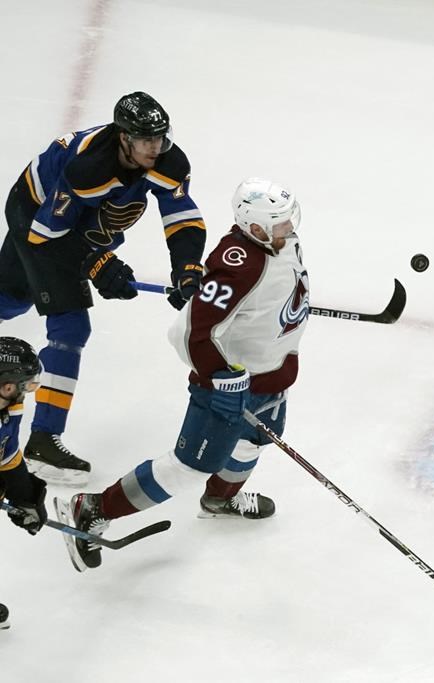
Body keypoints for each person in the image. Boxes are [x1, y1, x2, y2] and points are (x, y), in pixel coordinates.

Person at [54, 178, 307, 572]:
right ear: (254, 228)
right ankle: (92, 508)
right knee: (188, 466)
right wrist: (222, 378)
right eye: (279, 223)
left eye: (289, 220)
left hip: (273, 377)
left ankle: (219, 500)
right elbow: (187, 333)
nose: (289, 228)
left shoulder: (281, 244)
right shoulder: (239, 265)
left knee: (251, 442)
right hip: (229, 388)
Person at [0, 91, 207, 485]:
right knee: (70, 325)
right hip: (38, 216)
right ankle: (43, 440)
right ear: (124, 138)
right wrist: (97, 261)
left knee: (10, 299)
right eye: (146, 140)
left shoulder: (169, 160)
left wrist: (187, 270)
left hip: (84, 221)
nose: (156, 147)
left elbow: (181, 216)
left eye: (161, 137)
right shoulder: (89, 169)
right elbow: (48, 234)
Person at [0, 337, 50, 628]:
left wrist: (25, 496)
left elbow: (6, 455)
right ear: (8, 385)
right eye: (26, 385)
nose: (28, 392)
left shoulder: (9, 408)